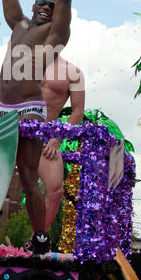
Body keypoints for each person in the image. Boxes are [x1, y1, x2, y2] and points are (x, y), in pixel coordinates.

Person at [0, 0, 74, 254]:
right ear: (34, 6)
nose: (48, 7)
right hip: (1, 107)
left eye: (52, 5)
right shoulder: (19, 26)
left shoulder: (55, 32)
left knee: (28, 175)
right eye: (43, 3)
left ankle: (39, 237)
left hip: (28, 108)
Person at [39, 55, 85, 231]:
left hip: (45, 137)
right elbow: (2, 97)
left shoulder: (73, 73)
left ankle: (37, 239)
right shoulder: (23, 63)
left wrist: (58, 138)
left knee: (55, 191)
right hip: (14, 131)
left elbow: (78, 113)